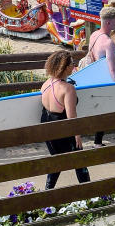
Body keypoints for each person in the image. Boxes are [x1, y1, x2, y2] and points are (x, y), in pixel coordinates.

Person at [39, 51, 91, 190]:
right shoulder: (68, 89)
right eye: (72, 63)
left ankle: (48, 191)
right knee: (79, 161)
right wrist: (77, 136)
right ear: (65, 67)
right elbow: (71, 116)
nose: (74, 66)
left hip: (47, 126)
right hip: (63, 127)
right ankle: (89, 193)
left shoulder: (46, 84)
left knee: (57, 162)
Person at [81, 5, 115, 146]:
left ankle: (98, 142)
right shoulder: (108, 43)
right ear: (108, 23)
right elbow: (112, 69)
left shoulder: (94, 35)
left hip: (96, 79)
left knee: (104, 110)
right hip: (107, 80)